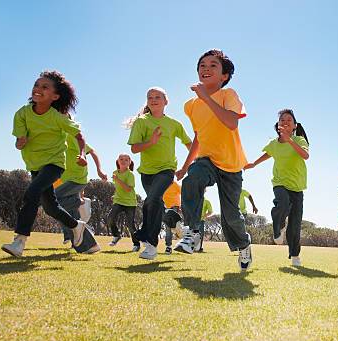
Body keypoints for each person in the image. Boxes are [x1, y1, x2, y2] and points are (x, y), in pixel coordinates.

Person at [175, 49, 253, 271]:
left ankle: (244, 244)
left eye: (213, 65)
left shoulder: (229, 94)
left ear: (224, 76)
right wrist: (185, 166)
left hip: (230, 163)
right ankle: (193, 232)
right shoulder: (190, 106)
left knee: (231, 216)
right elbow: (199, 136)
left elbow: (231, 122)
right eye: (202, 65)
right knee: (193, 179)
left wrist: (207, 98)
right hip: (206, 159)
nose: (206, 68)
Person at [2, 71, 92, 257]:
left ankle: (19, 241)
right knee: (51, 208)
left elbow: (79, 136)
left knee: (32, 193)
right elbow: (19, 141)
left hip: (54, 164)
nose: (38, 89)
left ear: (55, 96)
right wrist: (20, 142)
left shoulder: (58, 117)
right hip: (35, 165)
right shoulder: (22, 114)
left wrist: (82, 154)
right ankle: (76, 226)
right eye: (36, 85)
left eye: (45, 87)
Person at [126, 87, 192, 260]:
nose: (153, 99)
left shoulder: (174, 124)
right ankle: (174, 221)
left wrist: (185, 167)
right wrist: (151, 142)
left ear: (166, 101)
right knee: (155, 205)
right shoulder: (141, 122)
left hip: (167, 169)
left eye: (157, 97)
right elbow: (134, 148)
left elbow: (190, 144)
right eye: (150, 97)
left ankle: (150, 244)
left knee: (152, 200)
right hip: (147, 173)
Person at [245, 109, 309, 267]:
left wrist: (290, 140)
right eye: (282, 120)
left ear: (294, 126)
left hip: (297, 188)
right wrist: (253, 163)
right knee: (282, 202)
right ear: (278, 125)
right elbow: (268, 154)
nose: (285, 121)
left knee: (294, 225)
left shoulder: (299, 140)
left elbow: (305, 155)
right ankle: (278, 226)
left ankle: (294, 255)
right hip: (280, 183)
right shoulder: (274, 144)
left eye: (289, 120)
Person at [55, 132, 107, 245]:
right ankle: (88, 245)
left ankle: (77, 201)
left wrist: (99, 170)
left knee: (52, 201)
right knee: (71, 213)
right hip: (66, 181)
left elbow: (92, 151)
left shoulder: (72, 138)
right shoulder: (56, 139)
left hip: (77, 180)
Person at [108, 153, 140, 251]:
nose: (123, 161)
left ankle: (136, 244)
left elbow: (127, 189)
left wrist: (117, 180)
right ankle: (116, 235)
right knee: (110, 218)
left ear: (129, 163)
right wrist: (115, 194)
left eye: (126, 159)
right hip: (118, 201)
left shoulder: (130, 174)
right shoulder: (115, 172)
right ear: (118, 161)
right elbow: (118, 187)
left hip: (130, 203)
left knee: (130, 225)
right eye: (121, 159)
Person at [162, 180, 182, 255]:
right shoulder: (162, 183)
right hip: (165, 207)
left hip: (174, 206)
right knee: (168, 227)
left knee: (170, 226)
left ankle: (169, 246)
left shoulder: (175, 184)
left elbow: (182, 192)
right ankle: (169, 246)